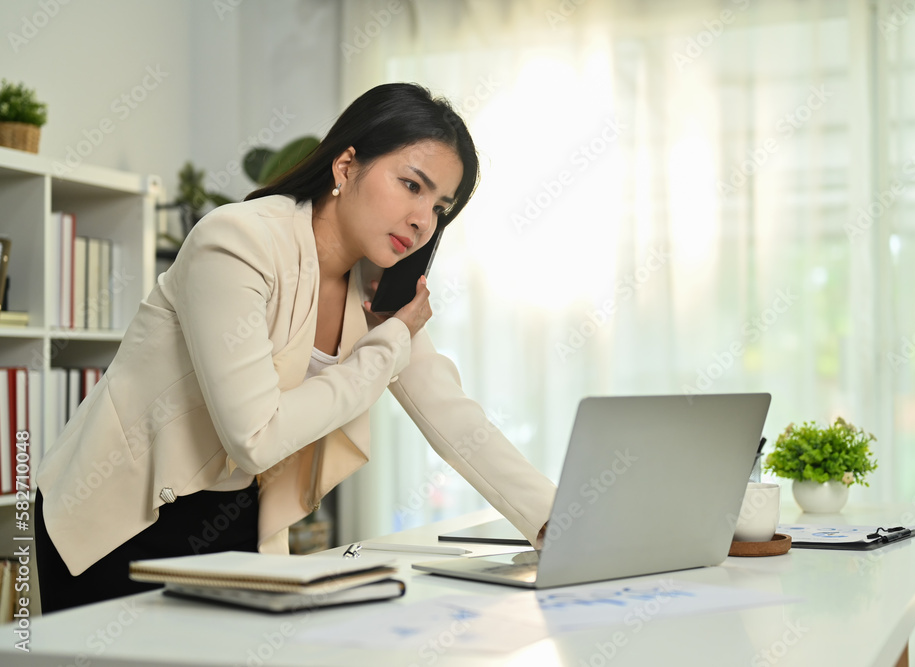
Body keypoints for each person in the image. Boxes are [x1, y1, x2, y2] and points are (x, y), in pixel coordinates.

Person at [34, 83, 556, 613]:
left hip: (234, 527)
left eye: (440, 207)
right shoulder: (237, 241)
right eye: (410, 185)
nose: (423, 220)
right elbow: (255, 438)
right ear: (346, 166)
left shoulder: (373, 290)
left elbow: (454, 417)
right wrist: (391, 341)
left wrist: (556, 523)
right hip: (121, 522)